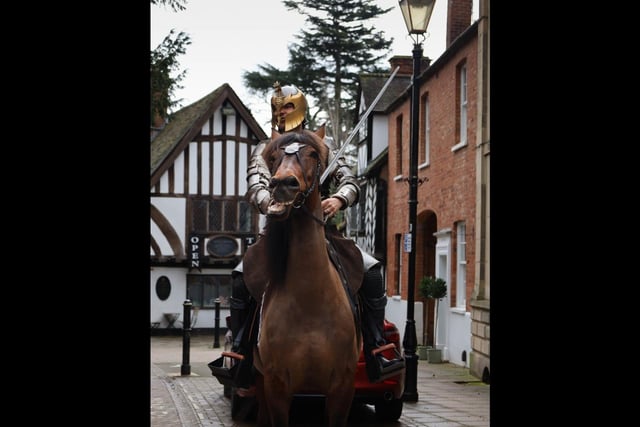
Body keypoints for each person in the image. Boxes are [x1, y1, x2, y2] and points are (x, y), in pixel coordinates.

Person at [228, 83, 405, 389]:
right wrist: (269, 203)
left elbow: (349, 179)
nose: (280, 113)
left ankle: (376, 348)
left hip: (320, 232)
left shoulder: (321, 145)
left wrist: (339, 199)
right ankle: (242, 350)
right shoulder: (265, 147)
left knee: (371, 270)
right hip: (276, 232)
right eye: (276, 107)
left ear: (298, 108)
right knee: (241, 274)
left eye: (285, 107)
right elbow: (256, 183)